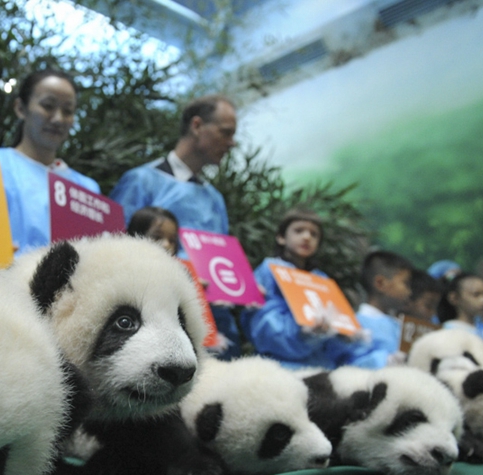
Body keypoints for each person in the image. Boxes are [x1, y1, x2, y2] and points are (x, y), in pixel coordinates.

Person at [111, 94, 238, 358]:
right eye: (225, 132)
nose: (232, 142)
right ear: (197, 125)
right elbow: (115, 253)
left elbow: (222, 260)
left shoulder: (214, 199)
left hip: (210, 326)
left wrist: (239, 288)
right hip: (152, 323)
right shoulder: (141, 181)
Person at [0, 68, 100, 255]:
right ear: (20, 108)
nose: (58, 119)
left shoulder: (87, 191)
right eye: (48, 106)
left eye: (68, 111)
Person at [242, 207, 355, 369]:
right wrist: (303, 335)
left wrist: (343, 335)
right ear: (281, 237)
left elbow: (334, 342)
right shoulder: (270, 270)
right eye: (299, 230)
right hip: (277, 366)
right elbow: (262, 325)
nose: (307, 237)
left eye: (314, 234)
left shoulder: (322, 280)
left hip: (319, 368)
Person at [348, 251, 414, 368]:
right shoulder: (356, 324)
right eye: (406, 283)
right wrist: (388, 360)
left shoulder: (398, 324)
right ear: (380, 283)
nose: (409, 292)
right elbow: (351, 364)